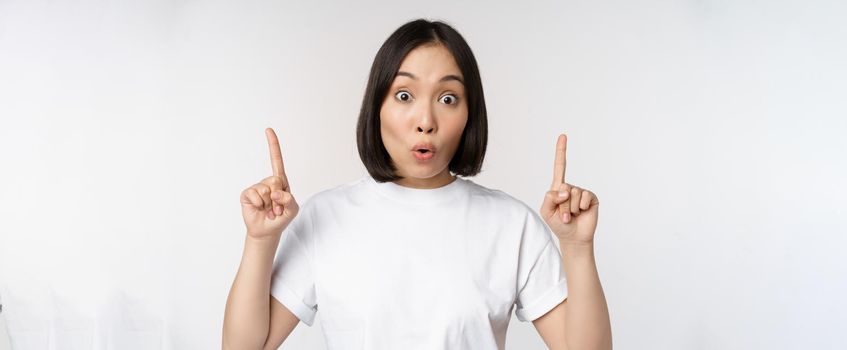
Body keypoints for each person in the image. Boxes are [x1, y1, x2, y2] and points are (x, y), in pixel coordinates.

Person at [222, 18, 611, 350]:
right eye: (404, 95)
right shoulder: (325, 217)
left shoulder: (511, 224)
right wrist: (260, 241)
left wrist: (577, 248)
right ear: (376, 107)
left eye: (447, 98)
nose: (425, 120)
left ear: (469, 115)